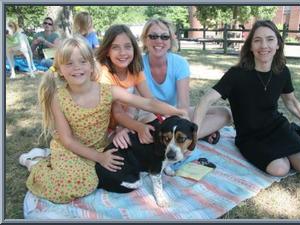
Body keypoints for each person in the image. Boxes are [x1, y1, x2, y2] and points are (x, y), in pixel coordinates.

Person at [21, 36, 187, 203]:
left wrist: (176, 111)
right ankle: (34, 163)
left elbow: (148, 103)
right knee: (82, 183)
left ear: (92, 65)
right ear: (59, 69)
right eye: (69, 63)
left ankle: (51, 159)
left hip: (101, 146)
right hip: (70, 149)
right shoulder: (58, 97)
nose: (77, 68)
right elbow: (67, 140)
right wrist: (99, 158)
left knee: (105, 175)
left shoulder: (108, 91)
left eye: (82, 61)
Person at [193, 20, 300, 176]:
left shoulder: (282, 71)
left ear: (278, 44)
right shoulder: (236, 74)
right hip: (249, 136)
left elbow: (291, 101)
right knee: (280, 169)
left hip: (277, 127)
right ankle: (287, 150)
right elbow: (205, 100)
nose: (264, 45)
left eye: (270, 39)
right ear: (251, 47)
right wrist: (194, 132)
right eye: (257, 40)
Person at [140, 17, 232, 144]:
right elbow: (145, 105)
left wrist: (181, 117)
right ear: (145, 39)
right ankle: (190, 137)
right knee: (151, 119)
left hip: (174, 113)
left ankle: (188, 137)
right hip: (148, 115)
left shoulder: (179, 63)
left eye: (164, 37)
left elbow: (183, 105)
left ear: (171, 40)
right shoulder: (137, 64)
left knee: (224, 113)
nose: (159, 40)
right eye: (153, 36)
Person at [96, 24, 155, 148]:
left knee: (154, 124)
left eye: (127, 47)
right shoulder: (104, 74)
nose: (123, 53)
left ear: (134, 48)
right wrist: (138, 127)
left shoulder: (135, 69)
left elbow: (150, 100)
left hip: (123, 122)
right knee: (131, 145)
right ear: (107, 51)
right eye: (115, 48)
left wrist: (167, 116)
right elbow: (117, 112)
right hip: (103, 128)